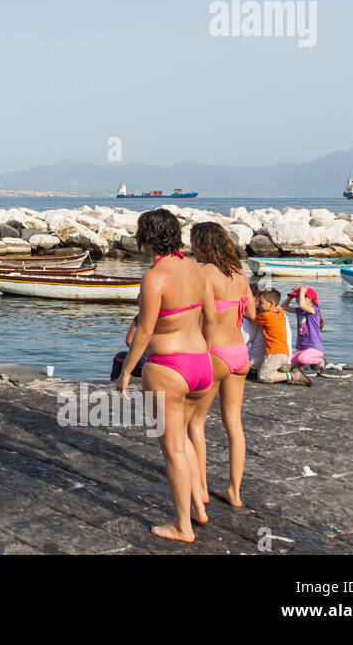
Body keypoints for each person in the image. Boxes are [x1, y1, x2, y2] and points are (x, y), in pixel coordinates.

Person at [115, 208, 215, 543]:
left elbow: (143, 333)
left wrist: (126, 372)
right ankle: (199, 509)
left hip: (169, 367)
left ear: (146, 238)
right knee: (185, 440)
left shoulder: (154, 277)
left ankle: (182, 526)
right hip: (201, 362)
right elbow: (209, 316)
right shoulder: (196, 268)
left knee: (172, 448)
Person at [188, 222, 255, 509]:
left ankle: (201, 488)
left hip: (214, 352)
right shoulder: (240, 273)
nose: (190, 247)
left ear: (203, 244)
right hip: (240, 352)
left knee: (195, 422)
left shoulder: (203, 273)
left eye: (193, 242)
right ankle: (234, 492)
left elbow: (197, 313)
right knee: (234, 425)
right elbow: (252, 312)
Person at [251, 289, 311, 386]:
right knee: (251, 366)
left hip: (274, 353)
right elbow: (279, 306)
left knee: (263, 376)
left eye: (261, 303)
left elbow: (252, 318)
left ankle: (293, 375)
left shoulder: (266, 316)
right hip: (283, 353)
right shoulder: (280, 312)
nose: (258, 305)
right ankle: (284, 368)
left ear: (271, 303)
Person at [282, 286, 325, 372]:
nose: (297, 299)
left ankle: (321, 361)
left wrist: (302, 291)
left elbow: (302, 305)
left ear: (309, 298)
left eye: (299, 297)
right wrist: (290, 296)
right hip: (302, 348)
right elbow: (283, 307)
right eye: (296, 297)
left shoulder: (314, 310)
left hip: (314, 348)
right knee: (289, 362)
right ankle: (305, 367)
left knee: (302, 359)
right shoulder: (300, 311)